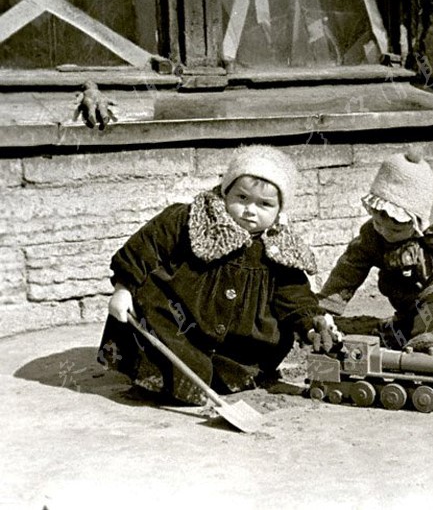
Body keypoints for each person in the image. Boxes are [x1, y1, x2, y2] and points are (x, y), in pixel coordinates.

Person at [97, 145, 339, 405]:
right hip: (183, 324)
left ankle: (216, 378)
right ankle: (162, 380)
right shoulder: (192, 221)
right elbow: (144, 248)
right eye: (242, 198)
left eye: (264, 204)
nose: (250, 210)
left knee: (231, 370)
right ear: (226, 192)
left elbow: (294, 296)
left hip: (236, 344)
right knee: (171, 355)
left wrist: (310, 323)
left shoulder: (280, 248)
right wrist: (123, 289)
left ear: (280, 209)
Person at [317, 152, 433, 351]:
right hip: (408, 301)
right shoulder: (372, 236)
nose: (384, 232)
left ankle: (426, 340)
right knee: (402, 325)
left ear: (416, 222)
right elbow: (348, 269)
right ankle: (404, 328)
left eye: (395, 230)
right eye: (377, 223)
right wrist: (325, 309)